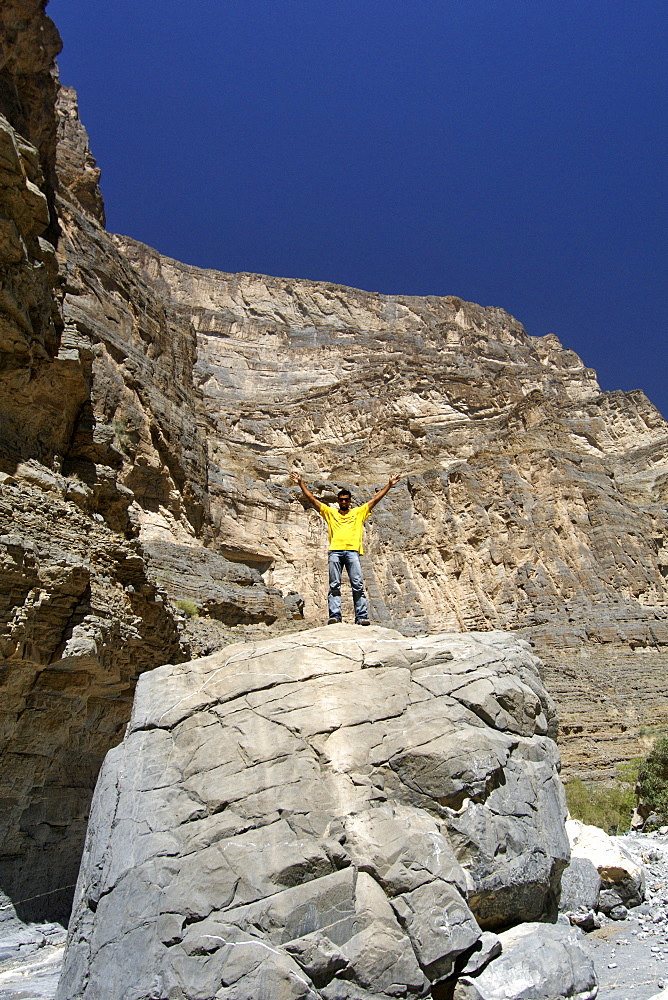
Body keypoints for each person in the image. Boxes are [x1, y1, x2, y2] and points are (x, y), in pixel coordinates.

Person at [289, 471, 402, 625]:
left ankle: (361, 617)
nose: (343, 502)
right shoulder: (330, 513)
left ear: (349, 501)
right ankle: (335, 616)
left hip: (352, 552)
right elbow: (311, 499)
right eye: (341, 499)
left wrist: (389, 485)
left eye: (346, 500)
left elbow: (376, 499)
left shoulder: (358, 512)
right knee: (334, 585)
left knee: (358, 584)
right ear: (338, 500)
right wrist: (300, 483)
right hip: (335, 551)